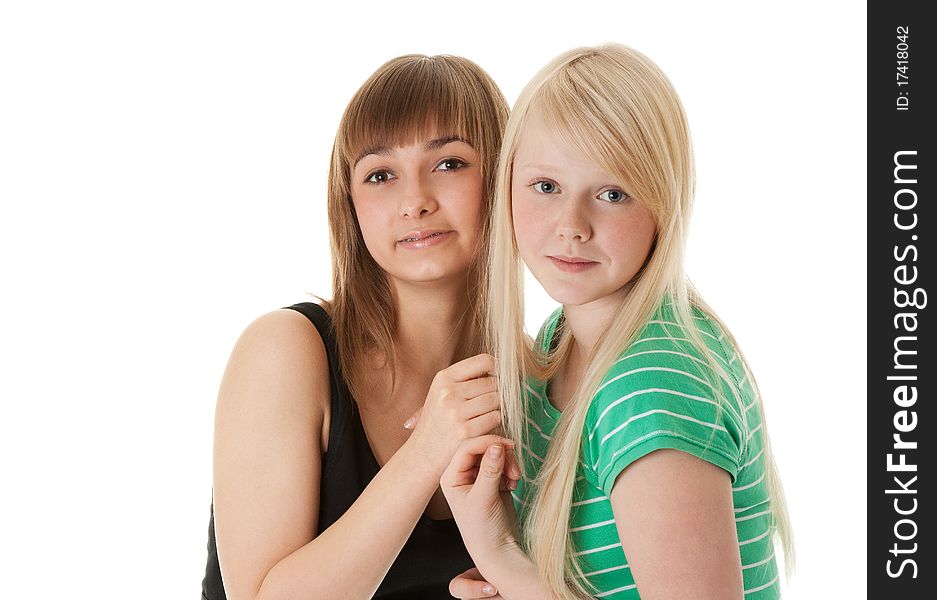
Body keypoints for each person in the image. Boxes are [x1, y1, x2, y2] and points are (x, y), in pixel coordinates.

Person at [442, 44, 794, 599]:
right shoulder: (562, 339)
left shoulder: (650, 388)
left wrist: (501, 559)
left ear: (664, 204)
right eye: (546, 187)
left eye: (612, 194)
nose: (572, 225)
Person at [200, 54, 514, 600]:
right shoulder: (287, 351)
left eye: (448, 163)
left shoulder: (540, 382)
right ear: (352, 207)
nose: (414, 201)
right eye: (380, 175)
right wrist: (427, 452)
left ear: (507, 174)